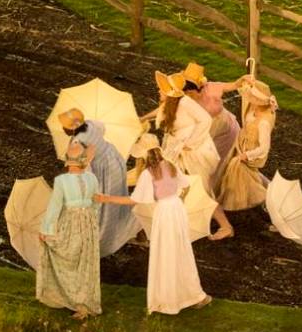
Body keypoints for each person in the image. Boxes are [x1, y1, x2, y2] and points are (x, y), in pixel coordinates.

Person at [95, 135, 212, 315]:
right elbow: (186, 185)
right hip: (177, 209)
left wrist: (107, 198)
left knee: (165, 253)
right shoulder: (171, 166)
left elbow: (134, 199)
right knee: (181, 250)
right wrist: (180, 197)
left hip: (164, 212)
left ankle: (168, 300)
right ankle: (193, 295)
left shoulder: (147, 174)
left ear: (142, 155)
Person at [58, 109, 141, 257]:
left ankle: (104, 236)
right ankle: (121, 224)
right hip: (114, 158)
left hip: (104, 169)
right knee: (117, 194)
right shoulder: (90, 124)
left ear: (70, 129)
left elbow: (81, 168)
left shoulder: (77, 142)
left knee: (104, 203)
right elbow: (102, 128)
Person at [37, 141, 101, 320]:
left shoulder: (62, 181)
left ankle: (76, 301)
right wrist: (90, 218)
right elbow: (96, 203)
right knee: (85, 262)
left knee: (69, 258)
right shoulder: (92, 179)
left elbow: (55, 206)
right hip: (89, 223)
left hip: (71, 222)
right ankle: (84, 304)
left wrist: (46, 229)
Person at [209, 80, 278, 240]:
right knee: (250, 183)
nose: (249, 101)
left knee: (250, 187)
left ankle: (265, 218)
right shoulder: (252, 111)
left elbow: (264, 148)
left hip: (248, 156)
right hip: (240, 148)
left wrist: (246, 155)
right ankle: (265, 211)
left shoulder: (264, 123)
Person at [178, 62, 253, 188]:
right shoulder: (185, 98)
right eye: (185, 93)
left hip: (225, 128)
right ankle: (198, 188)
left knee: (217, 161)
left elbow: (235, 84)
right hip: (205, 130)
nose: (188, 96)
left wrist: (243, 80)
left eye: (190, 92)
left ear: (198, 88)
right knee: (200, 158)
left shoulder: (212, 88)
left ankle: (211, 190)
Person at [144, 71, 220, 195]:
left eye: (161, 90)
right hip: (177, 145)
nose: (158, 91)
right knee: (174, 177)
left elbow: (205, 119)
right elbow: (160, 111)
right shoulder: (170, 103)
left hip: (191, 148)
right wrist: (143, 118)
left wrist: (190, 143)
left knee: (194, 181)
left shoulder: (185, 102)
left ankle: (198, 205)